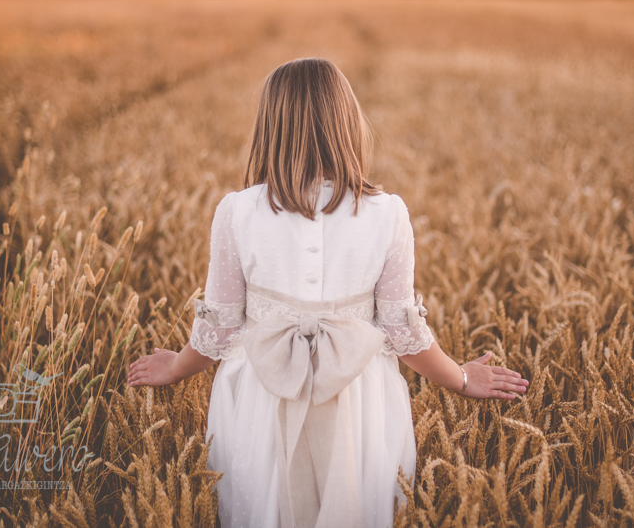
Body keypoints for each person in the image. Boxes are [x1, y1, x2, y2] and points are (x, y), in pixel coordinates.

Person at [127, 58, 529, 528]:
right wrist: (459, 377)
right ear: (348, 123)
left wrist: (177, 366)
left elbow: (220, 325)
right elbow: (403, 332)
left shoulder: (236, 211)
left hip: (259, 396)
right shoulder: (387, 214)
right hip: (358, 398)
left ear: (270, 127)